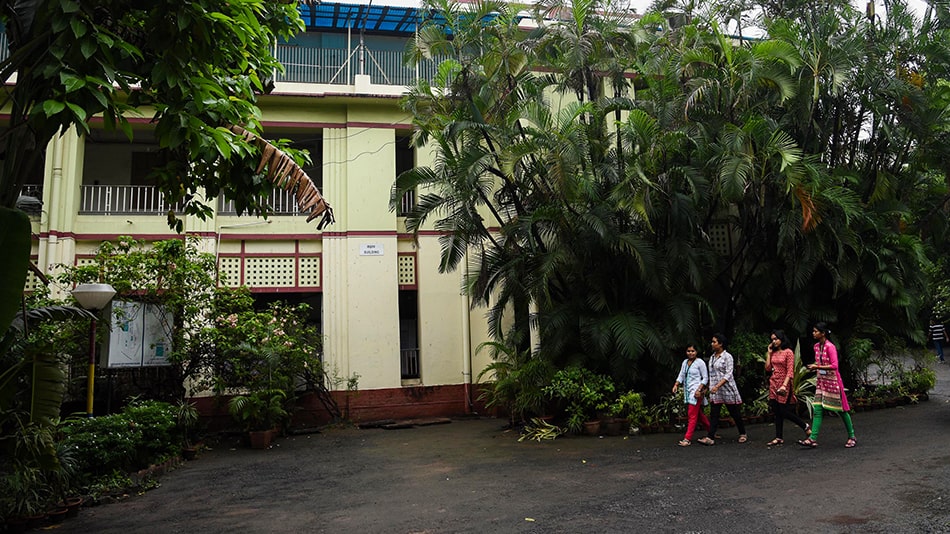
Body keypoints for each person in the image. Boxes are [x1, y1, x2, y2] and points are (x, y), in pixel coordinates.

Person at [799, 322, 856, 448]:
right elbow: (820, 362)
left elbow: (835, 365)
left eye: (816, 331)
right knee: (817, 409)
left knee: (841, 410)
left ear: (823, 333)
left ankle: (852, 436)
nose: (813, 333)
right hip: (821, 381)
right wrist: (815, 368)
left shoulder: (830, 347)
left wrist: (817, 366)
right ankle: (813, 438)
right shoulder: (816, 346)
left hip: (833, 382)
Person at [696, 333, 746, 445]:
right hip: (715, 390)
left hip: (727, 389)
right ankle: (710, 437)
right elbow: (711, 374)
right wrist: (707, 387)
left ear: (721, 344)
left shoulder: (727, 357)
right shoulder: (712, 357)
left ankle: (742, 433)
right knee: (714, 414)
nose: (712, 344)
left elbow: (729, 374)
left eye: (714, 342)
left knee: (734, 413)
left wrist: (718, 385)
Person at [764, 329, 809, 447]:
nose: (774, 341)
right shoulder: (773, 353)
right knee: (776, 410)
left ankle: (804, 426)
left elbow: (790, 371)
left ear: (781, 339)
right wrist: (768, 353)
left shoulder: (788, 352)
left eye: (776, 339)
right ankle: (779, 437)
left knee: (784, 410)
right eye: (772, 339)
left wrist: (785, 385)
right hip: (774, 382)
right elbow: (768, 368)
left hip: (784, 383)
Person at [672, 344, 709, 447]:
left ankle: (687, 438)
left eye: (693, 351)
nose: (690, 353)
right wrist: (676, 384)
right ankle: (711, 431)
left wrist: (700, 389)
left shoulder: (700, 363)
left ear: (696, 352)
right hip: (688, 392)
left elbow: (705, 378)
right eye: (688, 351)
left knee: (692, 415)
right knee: (699, 415)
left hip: (696, 393)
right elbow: (681, 375)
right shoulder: (685, 362)